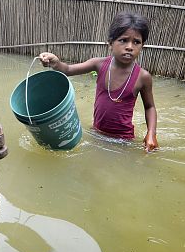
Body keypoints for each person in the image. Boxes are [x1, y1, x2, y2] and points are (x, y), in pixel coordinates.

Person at [39, 12, 159, 151]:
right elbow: (68, 69)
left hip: (123, 139)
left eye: (136, 42)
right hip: (96, 132)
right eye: (123, 40)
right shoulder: (99, 64)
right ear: (110, 43)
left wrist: (151, 133)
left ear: (142, 46)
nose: (130, 47)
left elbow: (150, 107)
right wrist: (55, 62)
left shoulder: (143, 77)